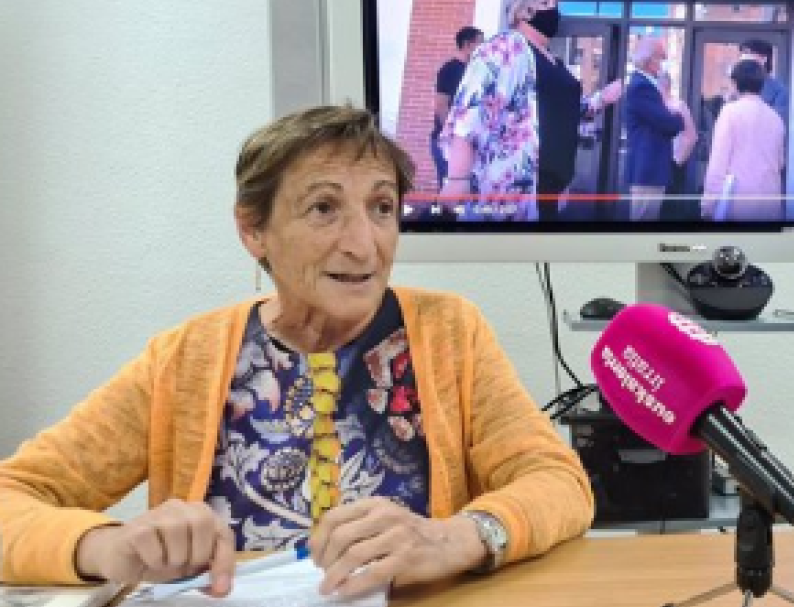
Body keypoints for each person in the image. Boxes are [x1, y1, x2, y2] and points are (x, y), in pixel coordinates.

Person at [0, 106, 594, 595]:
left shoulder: (450, 331)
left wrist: (457, 538)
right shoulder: (186, 357)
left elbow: (557, 481)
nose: (364, 245)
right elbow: (13, 496)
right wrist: (106, 546)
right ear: (253, 229)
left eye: (382, 208)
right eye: (323, 209)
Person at [440, 0, 621, 221]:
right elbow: (468, 111)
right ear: (523, 11)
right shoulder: (503, 48)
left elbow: (562, 110)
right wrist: (457, 178)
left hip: (550, 187)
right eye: (545, 3)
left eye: (556, 3)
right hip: (510, 187)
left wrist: (602, 99)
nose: (554, 10)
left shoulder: (552, 60)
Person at [700, 59, 786, 222]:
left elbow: (718, 163)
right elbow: (780, 162)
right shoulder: (775, 118)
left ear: (734, 83)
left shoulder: (730, 112)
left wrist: (708, 205)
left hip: (738, 202)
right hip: (771, 203)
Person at [622, 36, 684, 221]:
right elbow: (668, 123)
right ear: (649, 60)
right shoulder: (641, 87)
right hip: (648, 169)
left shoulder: (645, 85)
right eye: (660, 58)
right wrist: (678, 117)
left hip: (650, 169)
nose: (662, 64)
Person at [432, 26, 485, 188]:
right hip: (450, 142)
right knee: (450, 191)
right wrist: (451, 136)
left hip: (469, 144)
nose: (484, 48)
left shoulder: (477, 72)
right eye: (480, 43)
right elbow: (441, 105)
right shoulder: (449, 70)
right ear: (467, 44)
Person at [658, 69, 699, 221]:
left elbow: (692, 137)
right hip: (655, 165)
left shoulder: (678, 106)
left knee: (668, 209)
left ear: (664, 86)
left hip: (672, 164)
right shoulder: (654, 107)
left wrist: (676, 162)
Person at [737, 38, 789, 124]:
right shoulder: (738, 84)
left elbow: (777, 122)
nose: (743, 58)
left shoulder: (778, 90)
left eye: (748, 53)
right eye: (742, 54)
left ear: (764, 59)